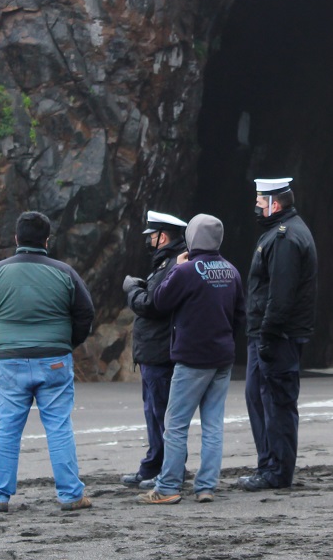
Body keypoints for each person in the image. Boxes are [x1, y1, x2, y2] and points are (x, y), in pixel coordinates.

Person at [0, 211, 96, 512]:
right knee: (59, 426)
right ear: (47, 240)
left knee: (8, 429)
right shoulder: (65, 272)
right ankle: (71, 495)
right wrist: (67, 343)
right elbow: (85, 313)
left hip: (9, 361)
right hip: (54, 360)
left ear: (16, 238)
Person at [138, 214, 245, 504]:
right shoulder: (232, 271)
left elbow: (160, 301)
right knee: (213, 424)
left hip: (192, 359)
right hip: (222, 357)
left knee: (175, 424)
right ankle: (206, 486)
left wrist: (176, 267)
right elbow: (239, 315)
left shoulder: (186, 271)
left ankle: (168, 487)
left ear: (193, 237)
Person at [239, 177, 317, 492]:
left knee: (277, 403)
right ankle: (268, 464)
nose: (256, 207)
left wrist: (269, 335)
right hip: (267, 334)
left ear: (274, 204)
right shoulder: (279, 233)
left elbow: (281, 296)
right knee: (258, 398)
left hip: (276, 336)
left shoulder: (285, 237)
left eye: (260, 202)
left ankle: (278, 471)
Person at [120, 210, 189, 489]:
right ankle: (153, 466)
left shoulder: (173, 264)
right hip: (155, 351)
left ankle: (169, 470)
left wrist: (132, 290)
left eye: (152, 235)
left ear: (163, 237)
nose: (148, 240)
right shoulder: (168, 262)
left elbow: (152, 305)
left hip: (160, 352)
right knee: (155, 413)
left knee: (162, 415)